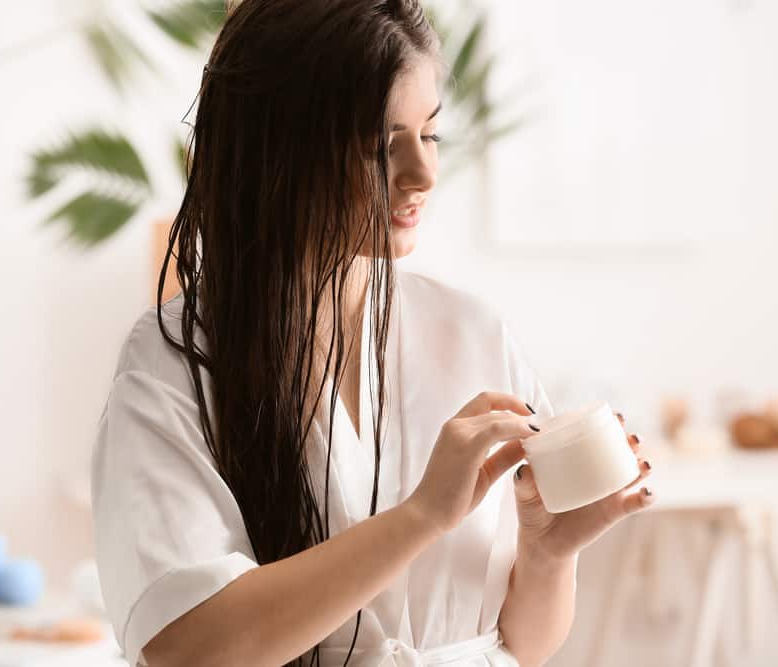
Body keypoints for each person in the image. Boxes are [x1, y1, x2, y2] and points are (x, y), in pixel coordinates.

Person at [90, 1, 655, 665]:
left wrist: (549, 550)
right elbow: (190, 648)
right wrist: (421, 516)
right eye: (380, 147)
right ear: (279, 148)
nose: (423, 174)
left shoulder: (472, 332)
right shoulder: (173, 364)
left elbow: (523, 642)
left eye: (431, 135)